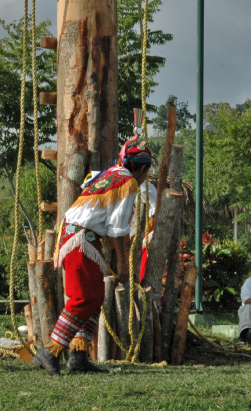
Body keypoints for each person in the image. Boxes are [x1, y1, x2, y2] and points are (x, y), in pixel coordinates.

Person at [32, 134, 153, 376]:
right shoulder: (127, 182)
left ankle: (78, 356)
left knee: (95, 296)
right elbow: (118, 227)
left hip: (81, 237)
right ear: (140, 168)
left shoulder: (110, 174)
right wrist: (122, 260)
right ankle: (50, 351)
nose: (145, 178)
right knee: (83, 297)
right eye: (146, 172)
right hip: (80, 239)